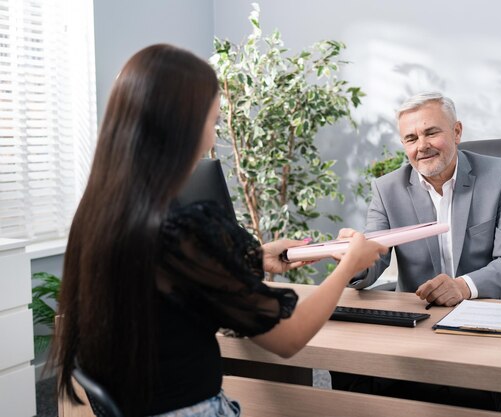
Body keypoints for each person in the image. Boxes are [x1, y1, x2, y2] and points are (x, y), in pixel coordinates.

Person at [49, 44, 388, 417]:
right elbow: (289, 339)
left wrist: (252, 257)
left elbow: (157, 274)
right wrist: (348, 265)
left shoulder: (101, 213)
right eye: (211, 123)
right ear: (181, 128)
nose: (212, 139)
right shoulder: (186, 227)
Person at [332, 91, 501, 416]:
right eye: (411, 138)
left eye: (432, 132)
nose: (422, 146)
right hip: (419, 325)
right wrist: (351, 260)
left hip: (485, 322)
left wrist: (461, 286)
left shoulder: (499, 176)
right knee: (348, 364)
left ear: (456, 132)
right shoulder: (387, 189)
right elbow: (373, 255)